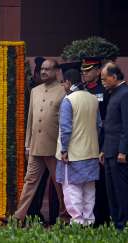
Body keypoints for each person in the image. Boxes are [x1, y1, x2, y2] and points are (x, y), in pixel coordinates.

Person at [14, 59, 66, 223]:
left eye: (48, 69)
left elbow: (65, 123)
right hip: (35, 147)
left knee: (60, 185)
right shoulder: (35, 90)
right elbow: (30, 120)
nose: (44, 72)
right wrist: (27, 145)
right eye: (42, 69)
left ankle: (65, 217)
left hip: (53, 148)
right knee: (29, 182)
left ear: (56, 71)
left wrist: (63, 147)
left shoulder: (63, 91)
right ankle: (18, 217)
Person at [56, 64, 101, 225]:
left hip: (73, 154)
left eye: (63, 82)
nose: (62, 85)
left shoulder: (68, 100)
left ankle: (77, 221)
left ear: (68, 82)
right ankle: (89, 219)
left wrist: (64, 150)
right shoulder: (93, 99)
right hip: (92, 152)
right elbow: (98, 125)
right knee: (89, 189)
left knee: (71, 189)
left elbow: (66, 129)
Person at [81, 56, 110, 226]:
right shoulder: (80, 90)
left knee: (101, 183)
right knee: (86, 182)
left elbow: (108, 121)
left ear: (98, 71)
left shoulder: (104, 91)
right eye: (83, 70)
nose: (85, 73)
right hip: (84, 143)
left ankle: (102, 218)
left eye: (89, 70)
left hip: (100, 141)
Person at [100, 62, 128, 230]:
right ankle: (116, 223)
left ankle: (123, 224)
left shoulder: (125, 94)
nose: (102, 82)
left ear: (114, 77)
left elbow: (126, 126)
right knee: (111, 191)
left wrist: (123, 151)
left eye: (105, 79)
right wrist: (103, 149)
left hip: (119, 153)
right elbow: (110, 125)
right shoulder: (113, 93)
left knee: (121, 190)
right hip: (110, 150)